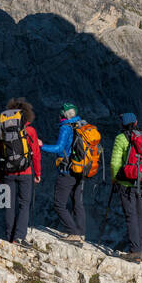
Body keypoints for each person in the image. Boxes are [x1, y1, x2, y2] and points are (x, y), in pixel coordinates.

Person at [0, 98, 42, 245]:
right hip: (26, 172)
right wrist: (38, 173)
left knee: (8, 204)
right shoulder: (30, 131)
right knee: (24, 204)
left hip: (7, 173)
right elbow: (35, 153)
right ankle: (19, 237)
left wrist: (0, 176)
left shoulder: (3, 131)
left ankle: (9, 237)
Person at [41, 103, 87, 242]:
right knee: (77, 202)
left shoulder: (65, 128)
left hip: (67, 170)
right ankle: (81, 232)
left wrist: (41, 145)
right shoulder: (80, 125)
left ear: (63, 114)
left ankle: (73, 233)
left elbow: (59, 148)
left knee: (59, 204)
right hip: (80, 169)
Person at [109, 112, 142, 262]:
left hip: (127, 183)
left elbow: (115, 163)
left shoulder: (121, 138)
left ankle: (134, 251)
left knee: (130, 216)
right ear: (136, 122)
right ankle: (141, 250)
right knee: (140, 216)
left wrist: (114, 179)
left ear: (122, 124)